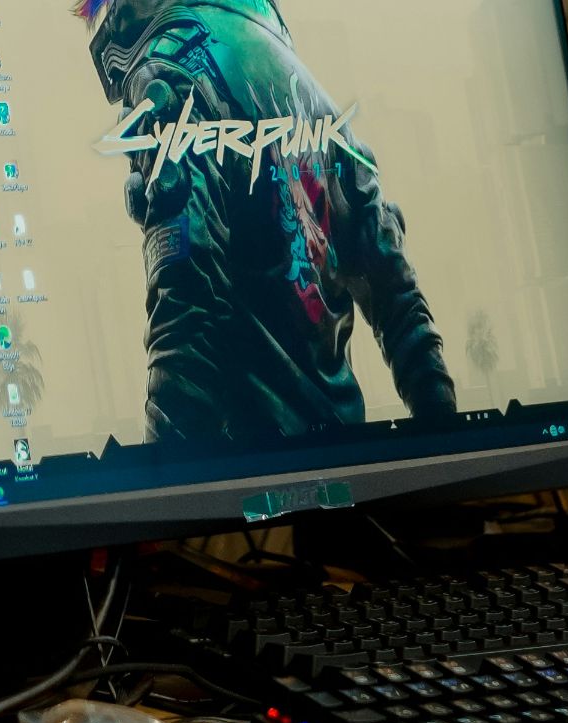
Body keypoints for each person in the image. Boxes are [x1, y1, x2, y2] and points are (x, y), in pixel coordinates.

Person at [76, 0, 456, 441]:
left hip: (245, 474)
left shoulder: (167, 76)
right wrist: (441, 453)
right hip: (342, 472)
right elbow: (399, 299)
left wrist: (166, 495)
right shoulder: (312, 90)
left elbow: (188, 311)